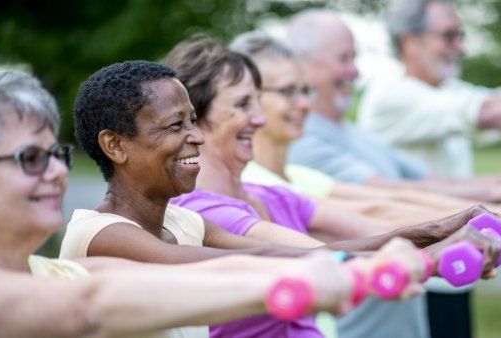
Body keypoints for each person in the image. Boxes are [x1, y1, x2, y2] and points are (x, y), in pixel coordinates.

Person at [62, 59, 476, 338]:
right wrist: (420, 260)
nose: (196, 136)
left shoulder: (183, 223)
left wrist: (428, 235)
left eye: (193, 120)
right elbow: (248, 263)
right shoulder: (103, 234)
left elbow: (287, 251)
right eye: (175, 125)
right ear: (116, 146)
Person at [162, 37, 501, 338]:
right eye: (242, 104)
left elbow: (373, 225)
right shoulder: (203, 209)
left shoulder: (270, 195)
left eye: (258, 100)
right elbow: (325, 258)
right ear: (194, 118)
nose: (260, 117)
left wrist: (459, 225)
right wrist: (433, 259)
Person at [0, 70, 355, 337]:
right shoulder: (98, 242)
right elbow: (91, 305)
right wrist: (320, 273)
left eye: (56, 154)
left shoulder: (68, 275)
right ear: (115, 146)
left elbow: (227, 271)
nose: (56, 170)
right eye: (31, 158)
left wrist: (381, 250)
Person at [231, 30, 501, 235]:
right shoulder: (253, 183)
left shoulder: (297, 173)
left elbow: (394, 196)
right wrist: (486, 216)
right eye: (288, 92)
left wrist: (496, 208)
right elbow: (372, 211)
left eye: (305, 91)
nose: (304, 104)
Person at [358, 0, 501, 178]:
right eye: (449, 36)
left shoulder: (446, 90)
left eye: (461, 36)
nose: (460, 47)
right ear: (409, 42)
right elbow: (489, 112)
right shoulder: (390, 93)